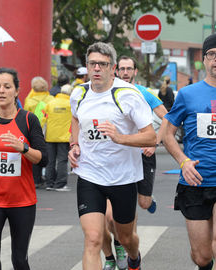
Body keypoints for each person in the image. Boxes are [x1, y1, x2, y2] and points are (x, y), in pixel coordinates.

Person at [68, 42, 156, 270]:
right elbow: (75, 118)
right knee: (93, 238)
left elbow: (151, 137)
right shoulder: (79, 93)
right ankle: (110, 259)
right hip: (89, 174)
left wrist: (120, 138)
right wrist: (74, 143)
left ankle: (134, 257)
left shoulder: (128, 95)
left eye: (103, 64)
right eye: (92, 63)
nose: (97, 68)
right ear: (86, 66)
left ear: (113, 68)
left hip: (123, 177)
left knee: (126, 238)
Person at [0, 67, 48, 270]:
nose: (2, 91)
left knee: (19, 260)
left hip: (22, 201)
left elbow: (43, 159)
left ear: (16, 91)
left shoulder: (28, 120)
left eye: (7, 86)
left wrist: (23, 148)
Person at [100, 55, 168, 270]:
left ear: (135, 72)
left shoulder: (143, 93)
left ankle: (145, 200)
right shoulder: (107, 93)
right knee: (111, 217)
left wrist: (155, 142)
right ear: (115, 71)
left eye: (130, 69)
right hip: (118, 159)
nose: (126, 72)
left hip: (144, 154)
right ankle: (122, 244)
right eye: (122, 68)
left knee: (144, 204)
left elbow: (167, 116)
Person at [163, 33, 216, 270]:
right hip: (195, 181)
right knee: (202, 256)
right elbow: (166, 134)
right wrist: (183, 161)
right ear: (204, 60)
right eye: (212, 54)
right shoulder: (187, 94)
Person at [24, 76, 54, 188]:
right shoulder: (51, 99)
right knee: (49, 154)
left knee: (35, 154)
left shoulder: (29, 100)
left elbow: (25, 116)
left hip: (34, 130)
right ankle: (49, 178)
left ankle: (36, 180)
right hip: (48, 130)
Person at [45, 84, 73, 191]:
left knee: (50, 160)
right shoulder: (71, 104)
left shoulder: (50, 103)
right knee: (62, 160)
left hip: (50, 136)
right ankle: (60, 184)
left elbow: (44, 118)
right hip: (64, 136)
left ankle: (49, 183)